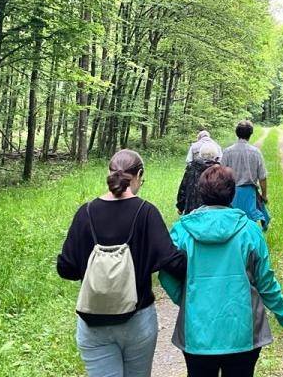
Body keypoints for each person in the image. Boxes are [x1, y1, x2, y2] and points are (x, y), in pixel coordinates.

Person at [56, 149, 187, 377]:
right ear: (139, 175)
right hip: (137, 320)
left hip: (93, 321)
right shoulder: (146, 212)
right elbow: (173, 263)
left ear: (109, 173)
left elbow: (65, 268)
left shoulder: (85, 213)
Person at [160, 165, 283, 377]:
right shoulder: (250, 230)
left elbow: (166, 273)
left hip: (197, 332)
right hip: (242, 332)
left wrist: (185, 298)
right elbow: (265, 280)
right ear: (233, 192)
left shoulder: (182, 230)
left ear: (201, 192)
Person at [221, 120, 270, 230]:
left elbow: (221, 175)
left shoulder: (227, 152)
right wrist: (264, 195)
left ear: (237, 133)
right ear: (250, 134)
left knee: (232, 224)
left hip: (231, 193)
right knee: (249, 224)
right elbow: (262, 177)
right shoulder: (256, 152)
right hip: (249, 194)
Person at [175, 141, 221, 215]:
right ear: (215, 155)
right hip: (213, 213)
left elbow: (183, 189)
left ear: (201, 154)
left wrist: (180, 207)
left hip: (192, 211)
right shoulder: (219, 170)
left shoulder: (191, 168)